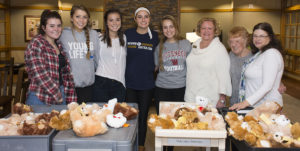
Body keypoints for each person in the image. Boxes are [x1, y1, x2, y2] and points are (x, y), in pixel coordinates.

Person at [25, 10, 77, 105]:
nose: (56, 29)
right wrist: (57, 95)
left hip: (61, 91)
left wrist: (68, 96)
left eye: (59, 25)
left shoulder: (59, 44)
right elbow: (39, 74)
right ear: (43, 28)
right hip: (40, 97)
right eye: (52, 26)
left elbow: (65, 74)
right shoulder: (36, 43)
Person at [124, 7, 159, 151]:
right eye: (140, 17)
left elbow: (159, 57)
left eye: (146, 17)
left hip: (147, 84)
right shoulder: (127, 34)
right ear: (135, 19)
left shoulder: (155, 36)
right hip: (130, 83)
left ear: (150, 19)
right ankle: (129, 143)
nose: (143, 19)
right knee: (130, 116)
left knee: (143, 117)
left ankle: (141, 146)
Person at [230, 22, 284, 110]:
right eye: (255, 36)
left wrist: (245, 103)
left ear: (270, 37)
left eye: (262, 36)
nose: (257, 39)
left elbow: (267, 86)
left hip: (267, 106)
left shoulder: (271, 54)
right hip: (256, 105)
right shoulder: (259, 53)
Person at [185, 17, 232, 108]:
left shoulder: (219, 49)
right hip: (191, 95)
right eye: (203, 28)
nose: (206, 31)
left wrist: (222, 98)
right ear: (199, 30)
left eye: (210, 28)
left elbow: (224, 76)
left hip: (209, 98)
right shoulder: (195, 44)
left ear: (215, 31)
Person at [59, 4, 99, 103]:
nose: (81, 20)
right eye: (78, 16)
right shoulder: (63, 34)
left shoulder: (94, 35)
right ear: (71, 18)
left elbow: (96, 60)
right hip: (70, 87)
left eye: (84, 17)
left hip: (89, 87)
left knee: (86, 116)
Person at [154, 15, 192, 112]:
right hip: (162, 89)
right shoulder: (159, 47)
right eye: (165, 27)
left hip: (181, 88)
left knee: (180, 120)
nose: (168, 30)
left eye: (171, 26)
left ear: (176, 27)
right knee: (163, 121)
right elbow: (155, 68)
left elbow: (193, 66)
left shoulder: (186, 44)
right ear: (162, 30)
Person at [93, 9, 126, 102]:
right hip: (101, 82)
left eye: (117, 19)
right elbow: (93, 58)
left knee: (117, 115)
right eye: (111, 20)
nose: (114, 23)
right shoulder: (98, 38)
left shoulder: (124, 38)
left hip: (120, 84)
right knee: (100, 115)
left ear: (121, 21)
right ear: (106, 23)